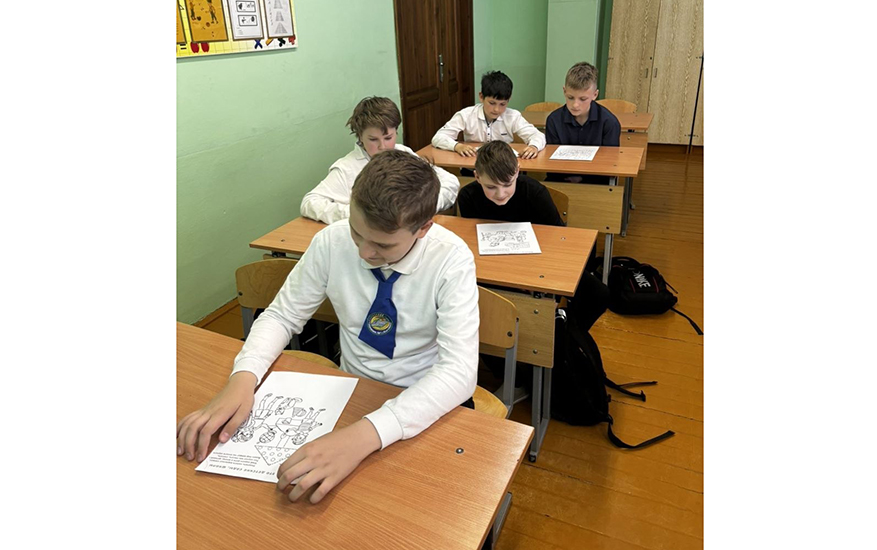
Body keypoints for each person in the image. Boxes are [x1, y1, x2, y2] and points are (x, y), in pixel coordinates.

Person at [178, 150, 480, 504]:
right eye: (356, 232)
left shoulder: (451, 259)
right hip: (351, 389)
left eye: (383, 245)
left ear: (423, 229)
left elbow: (459, 372)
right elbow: (281, 316)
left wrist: (364, 435)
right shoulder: (331, 241)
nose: (364, 252)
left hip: (422, 398)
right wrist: (243, 378)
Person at [458, 140, 609, 329]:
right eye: (491, 187)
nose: (500, 194)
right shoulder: (467, 196)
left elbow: (557, 239)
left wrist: (532, 271)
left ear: (517, 172)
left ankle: (566, 328)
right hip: (495, 268)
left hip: (539, 264)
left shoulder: (535, 193)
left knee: (599, 294)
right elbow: (473, 245)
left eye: (507, 184)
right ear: (477, 177)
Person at [300, 97, 459, 225]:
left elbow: (451, 182)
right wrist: (361, 215)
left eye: (388, 138)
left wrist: (422, 207)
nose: (383, 146)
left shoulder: (403, 152)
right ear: (360, 136)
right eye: (373, 139)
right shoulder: (347, 168)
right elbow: (309, 203)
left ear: (396, 131)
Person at [431, 71, 546, 161]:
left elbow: (538, 136)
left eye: (502, 104)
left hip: (504, 167)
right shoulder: (466, 115)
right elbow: (438, 137)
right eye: (492, 103)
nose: (497, 109)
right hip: (473, 166)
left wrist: (534, 147)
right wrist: (457, 146)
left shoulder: (513, 116)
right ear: (481, 97)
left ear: (508, 100)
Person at [545, 62, 621, 183]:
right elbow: (551, 162)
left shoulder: (609, 122)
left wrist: (583, 178)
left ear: (595, 95)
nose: (575, 105)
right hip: (561, 180)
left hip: (597, 181)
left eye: (583, 99)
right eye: (570, 98)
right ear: (564, 91)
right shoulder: (553, 120)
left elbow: (609, 163)